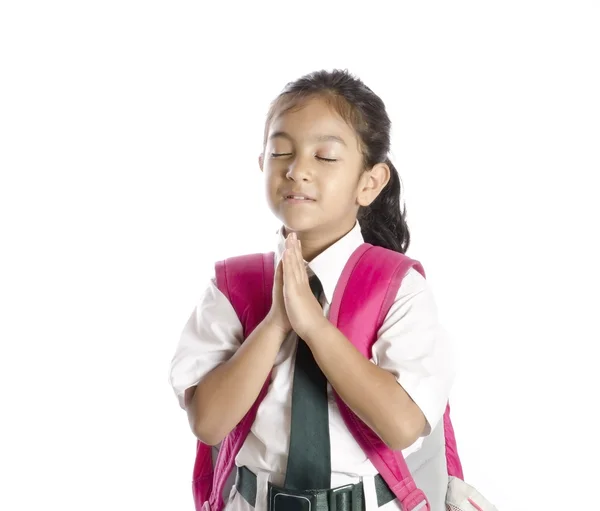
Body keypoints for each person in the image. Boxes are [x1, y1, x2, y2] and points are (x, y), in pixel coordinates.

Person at [169, 69, 455, 511]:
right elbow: (208, 422)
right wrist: (276, 322)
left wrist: (314, 327)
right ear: (262, 164)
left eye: (324, 156)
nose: (297, 170)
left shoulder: (399, 288)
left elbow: (402, 425)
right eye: (281, 151)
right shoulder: (233, 286)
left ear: (370, 182)